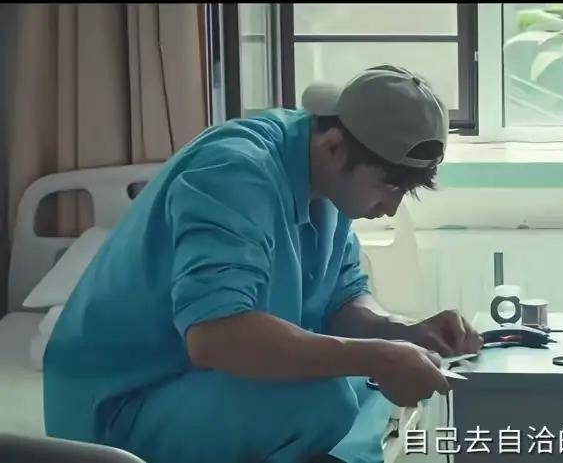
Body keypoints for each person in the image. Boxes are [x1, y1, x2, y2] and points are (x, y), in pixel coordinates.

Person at [43, 65, 483, 463]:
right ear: (334, 146)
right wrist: (379, 357)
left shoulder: (327, 176)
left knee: (379, 388)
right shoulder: (234, 174)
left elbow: (342, 301)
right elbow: (216, 337)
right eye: (388, 187)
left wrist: (404, 333)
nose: (390, 208)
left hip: (208, 383)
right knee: (324, 401)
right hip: (125, 406)